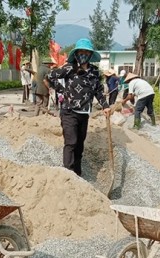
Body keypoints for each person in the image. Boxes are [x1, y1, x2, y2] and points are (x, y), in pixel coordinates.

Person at [48, 38, 111, 176]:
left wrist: (105, 105)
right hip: (69, 111)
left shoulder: (94, 71)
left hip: (84, 113)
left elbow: (98, 91)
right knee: (71, 142)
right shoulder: (69, 68)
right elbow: (50, 77)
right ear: (76, 54)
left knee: (79, 145)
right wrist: (61, 91)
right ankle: (68, 175)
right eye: (80, 51)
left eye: (86, 52)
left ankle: (77, 174)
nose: (83, 54)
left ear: (90, 54)